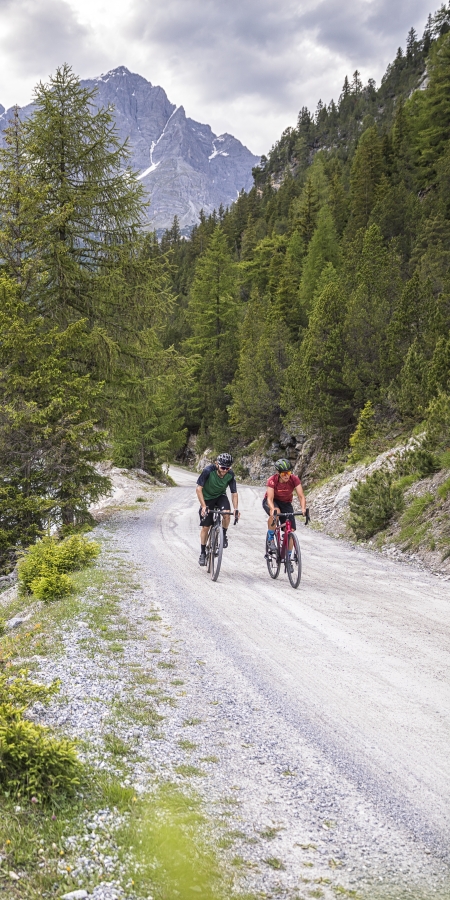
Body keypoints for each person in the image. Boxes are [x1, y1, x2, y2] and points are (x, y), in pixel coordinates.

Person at [196, 453, 239, 566]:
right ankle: (202, 553)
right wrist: (204, 506)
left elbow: (234, 493)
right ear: (217, 464)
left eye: (227, 468)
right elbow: (199, 489)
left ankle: (223, 534)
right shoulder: (208, 471)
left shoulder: (230, 474)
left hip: (220, 496)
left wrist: (235, 509)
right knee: (206, 526)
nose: (225, 470)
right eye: (222, 467)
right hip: (207, 498)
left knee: (226, 514)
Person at [263, 459, 309, 557]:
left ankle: (288, 557)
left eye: (288, 473)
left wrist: (303, 508)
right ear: (278, 473)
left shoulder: (294, 479)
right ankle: (270, 539)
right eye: (284, 474)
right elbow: (270, 499)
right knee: (276, 512)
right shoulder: (272, 480)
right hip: (272, 501)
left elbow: (301, 496)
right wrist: (272, 509)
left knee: (291, 530)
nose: (286, 476)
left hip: (286, 503)